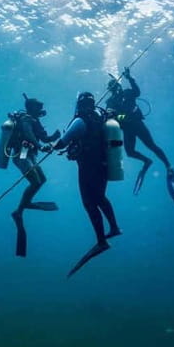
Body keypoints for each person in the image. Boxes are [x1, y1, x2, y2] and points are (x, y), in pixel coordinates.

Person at [54, 92, 122, 277]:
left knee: (89, 202)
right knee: (100, 197)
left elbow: (62, 143)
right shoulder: (100, 115)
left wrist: (51, 146)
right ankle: (114, 228)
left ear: (79, 105)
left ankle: (101, 241)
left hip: (88, 167)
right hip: (104, 165)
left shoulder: (80, 121)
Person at [105, 67, 173, 195]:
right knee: (130, 152)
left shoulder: (127, 93)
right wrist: (118, 116)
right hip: (128, 128)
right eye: (112, 88)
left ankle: (168, 165)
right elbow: (111, 117)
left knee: (151, 146)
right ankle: (147, 161)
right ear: (110, 90)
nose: (115, 89)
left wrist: (130, 78)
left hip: (137, 125)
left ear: (117, 86)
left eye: (115, 87)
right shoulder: (110, 102)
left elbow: (137, 92)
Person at [8, 95, 60, 257]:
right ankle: (20, 210)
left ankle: (25, 205)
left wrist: (54, 137)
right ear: (32, 108)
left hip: (29, 154)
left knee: (41, 180)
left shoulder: (34, 120)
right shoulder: (25, 119)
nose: (42, 110)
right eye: (39, 107)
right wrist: (40, 145)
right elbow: (29, 134)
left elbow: (43, 137)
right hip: (21, 154)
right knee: (35, 182)